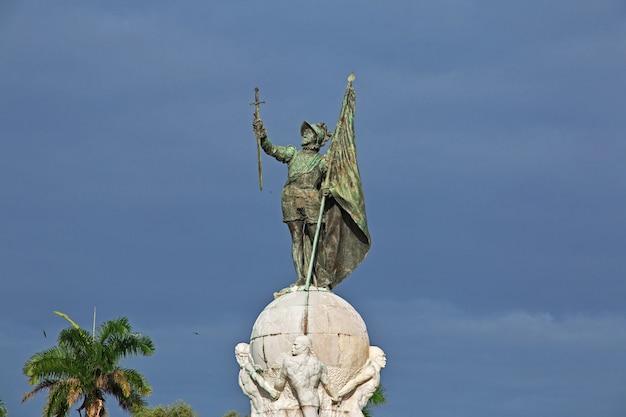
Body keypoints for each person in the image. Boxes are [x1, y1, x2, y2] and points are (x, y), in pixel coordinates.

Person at [254, 119, 331, 287]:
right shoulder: (293, 154)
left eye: (309, 132)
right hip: (290, 196)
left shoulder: (323, 161)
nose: (304, 134)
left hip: (312, 197)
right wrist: (263, 137)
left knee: (316, 239)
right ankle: (302, 277)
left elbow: (333, 182)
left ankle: (321, 276)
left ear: (316, 139)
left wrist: (329, 190)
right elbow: (272, 150)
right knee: (296, 239)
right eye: (305, 132)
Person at [274, 335, 332, 417]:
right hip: (315, 401)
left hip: (305, 401)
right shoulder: (319, 364)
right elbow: (327, 385)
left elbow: (278, 386)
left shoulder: (289, 362)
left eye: (295, 345)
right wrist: (337, 396)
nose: (292, 347)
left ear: (304, 347)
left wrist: (281, 369)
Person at [334, 346, 386, 417]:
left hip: (358, 406)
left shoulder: (376, 373)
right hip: (352, 405)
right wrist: (339, 394)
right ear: (375, 358)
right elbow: (355, 382)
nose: (385, 359)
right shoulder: (371, 371)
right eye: (382, 356)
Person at [235, 342, 279, 416]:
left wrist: (270, 390)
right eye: (240, 356)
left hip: (262, 404)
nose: (242, 359)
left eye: (244, 356)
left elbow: (258, 378)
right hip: (254, 405)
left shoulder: (248, 367)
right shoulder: (241, 373)